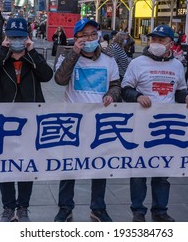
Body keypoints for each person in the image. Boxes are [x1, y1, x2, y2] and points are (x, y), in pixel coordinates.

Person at [121, 25, 188, 222]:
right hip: (141, 126)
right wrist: (137, 96)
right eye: (153, 39)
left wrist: (187, 96)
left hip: (166, 129)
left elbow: (179, 90)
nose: (156, 43)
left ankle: (160, 210)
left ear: (171, 44)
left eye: (161, 40)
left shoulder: (177, 66)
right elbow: (125, 89)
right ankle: (138, 210)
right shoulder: (137, 63)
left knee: (162, 172)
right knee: (138, 170)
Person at [0, 18, 53, 222]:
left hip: (29, 121)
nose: (16, 41)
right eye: (12, 37)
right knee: (4, 165)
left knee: (26, 166)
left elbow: (47, 75)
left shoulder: (33, 57)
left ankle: (22, 207)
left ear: (27, 38)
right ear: (6, 37)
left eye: (20, 37)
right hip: (4, 121)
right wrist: (4, 53)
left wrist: (31, 53)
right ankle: (7, 207)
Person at [54, 18, 121, 222]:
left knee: (100, 165)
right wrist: (74, 53)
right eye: (84, 35)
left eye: (93, 34)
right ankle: (65, 207)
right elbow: (60, 80)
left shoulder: (109, 60)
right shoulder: (67, 56)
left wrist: (112, 94)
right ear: (77, 38)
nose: (90, 39)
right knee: (69, 166)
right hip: (73, 122)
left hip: (100, 122)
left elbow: (116, 84)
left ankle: (98, 207)